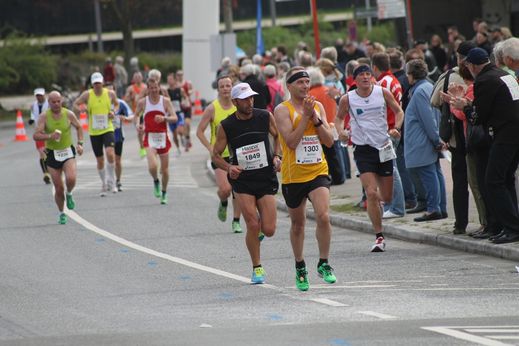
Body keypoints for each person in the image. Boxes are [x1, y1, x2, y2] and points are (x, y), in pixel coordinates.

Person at [274, 67, 336, 291]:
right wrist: (305, 118)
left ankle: (324, 263)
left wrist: (316, 119)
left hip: (318, 169)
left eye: (307, 82)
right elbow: (290, 141)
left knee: (324, 215)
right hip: (294, 175)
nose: (305, 86)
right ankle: (300, 265)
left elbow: (329, 141)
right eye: (300, 82)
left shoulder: (317, 106)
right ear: (289, 86)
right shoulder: (282, 110)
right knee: (298, 224)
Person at [213, 82, 281, 284]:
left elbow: (277, 136)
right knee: (252, 224)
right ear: (235, 102)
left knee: (268, 229)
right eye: (244, 99)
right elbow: (216, 155)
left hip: (265, 176)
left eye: (251, 98)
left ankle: (257, 234)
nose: (249, 102)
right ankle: (257, 268)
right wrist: (228, 168)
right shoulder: (226, 125)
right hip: (243, 181)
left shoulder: (264, 116)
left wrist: (277, 156)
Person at [335, 64, 404, 252]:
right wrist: (341, 132)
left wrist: (396, 128)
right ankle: (379, 236)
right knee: (371, 193)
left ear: (372, 77)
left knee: (387, 196)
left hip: (383, 147)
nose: (365, 77)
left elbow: (399, 111)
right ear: (354, 79)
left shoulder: (382, 92)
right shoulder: (347, 98)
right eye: (361, 75)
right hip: (363, 149)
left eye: (368, 74)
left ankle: (376, 205)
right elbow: (339, 118)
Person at [464, 47, 519, 244]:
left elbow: (481, 116)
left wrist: (465, 107)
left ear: (472, 66)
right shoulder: (504, 74)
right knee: (505, 179)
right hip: (515, 132)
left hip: (505, 134)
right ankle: (512, 225)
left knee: (493, 181)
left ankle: (511, 227)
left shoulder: (484, 80)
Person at [197, 76, 243, 233]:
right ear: (218, 89)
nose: (225, 88)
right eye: (222, 86)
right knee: (225, 189)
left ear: (232, 88)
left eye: (228, 86)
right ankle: (223, 202)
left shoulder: (238, 106)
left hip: (237, 154)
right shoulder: (212, 108)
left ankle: (236, 221)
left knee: (237, 189)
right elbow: (199, 131)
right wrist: (210, 148)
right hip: (219, 155)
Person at [404, 59, 448, 222]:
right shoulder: (427, 87)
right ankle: (440, 208)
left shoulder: (420, 90)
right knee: (434, 173)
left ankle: (433, 208)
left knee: (429, 174)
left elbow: (428, 119)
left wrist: (436, 139)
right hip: (427, 139)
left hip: (422, 141)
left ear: (411, 75)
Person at [33, 91, 84, 224]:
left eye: (58, 101)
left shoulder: (68, 114)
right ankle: (62, 212)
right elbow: (36, 135)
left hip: (67, 151)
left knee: (71, 178)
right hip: (52, 154)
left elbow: (79, 127)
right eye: (53, 102)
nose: (56, 104)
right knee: (59, 188)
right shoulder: (44, 116)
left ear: (61, 101)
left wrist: (80, 144)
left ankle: (70, 193)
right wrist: (50, 136)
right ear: (48, 103)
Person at [73, 72, 119, 196]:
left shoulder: (110, 93)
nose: (97, 85)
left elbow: (117, 103)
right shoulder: (87, 94)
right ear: (92, 84)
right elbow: (75, 104)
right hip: (94, 131)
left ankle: (112, 181)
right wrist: (81, 109)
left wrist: (113, 112)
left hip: (107, 128)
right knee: (100, 160)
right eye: (95, 83)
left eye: (99, 83)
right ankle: (103, 184)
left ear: (102, 82)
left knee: (110, 153)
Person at [372, 52, 405, 219]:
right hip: (393, 129)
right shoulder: (393, 80)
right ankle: (392, 205)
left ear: (375, 67)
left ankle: (396, 206)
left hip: (388, 130)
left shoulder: (383, 83)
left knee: (390, 169)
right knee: (391, 168)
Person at [134, 78, 177, 205]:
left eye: (155, 87)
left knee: (165, 170)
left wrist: (164, 118)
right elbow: (136, 115)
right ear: (148, 89)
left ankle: (164, 192)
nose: (153, 90)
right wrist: (138, 124)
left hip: (163, 137)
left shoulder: (166, 102)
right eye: (151, 88)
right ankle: (155, 181)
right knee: (152, 166)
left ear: (159, 88)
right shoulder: (143, 102)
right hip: (150, 137)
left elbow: (174, 117)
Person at [106, 83, 134, 192]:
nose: (109, 94)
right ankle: (110, 180)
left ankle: (118, 180)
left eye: (111, 91)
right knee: (109, 156)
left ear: (115, 92)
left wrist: (125, 118)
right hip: (106, 134)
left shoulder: (121, 103)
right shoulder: (103, 104)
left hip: (118, 135)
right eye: (107, 92)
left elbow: (132, 116)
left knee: (117, 160)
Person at [29, 88, 50, 184]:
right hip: (39, 132)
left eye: (40, 95)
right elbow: (33, 115)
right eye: (37, 95)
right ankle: (46, 174)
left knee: (49, 152)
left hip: (49, 131)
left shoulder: (49, 103)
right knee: (42, 152)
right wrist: (31, 119)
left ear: (44, 95)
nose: (39, 97)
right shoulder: (33, 105)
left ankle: (52, 171)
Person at [125, 71, 147, 158]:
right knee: (139, 131)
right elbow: (126, 99)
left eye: (139, 77)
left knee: (144, 130)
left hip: (145, 112)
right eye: (136, 77)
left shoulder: (145, 87)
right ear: (133, 79)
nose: (138, 78)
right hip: (136, 113)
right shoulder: (130, 88)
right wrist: (131, 97)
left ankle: (146, 145)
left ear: (142, 78)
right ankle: (142, 147)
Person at [167, 73, 186, 156]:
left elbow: (185, 98)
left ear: (175, 80)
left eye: (171, 79)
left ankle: (182, 137)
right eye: (168, 80)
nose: (169, 81)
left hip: (179, 113)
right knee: (174, 135)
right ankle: (178, 148)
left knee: (180, 131)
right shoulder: (166, 91)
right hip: (170, 115)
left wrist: (185, 103)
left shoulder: (180, 90)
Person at [176, 70, 194, 151]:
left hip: (187, 106)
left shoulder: (187, 83)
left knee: (187, 124)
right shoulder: (175, 85)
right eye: (178, 75)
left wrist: (190, 92)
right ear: (176, 76)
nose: (180, 76)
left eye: (181, 75)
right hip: (179, 108)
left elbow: (192, 89)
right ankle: (182, 137)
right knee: (180, 128)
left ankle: (187, 139)